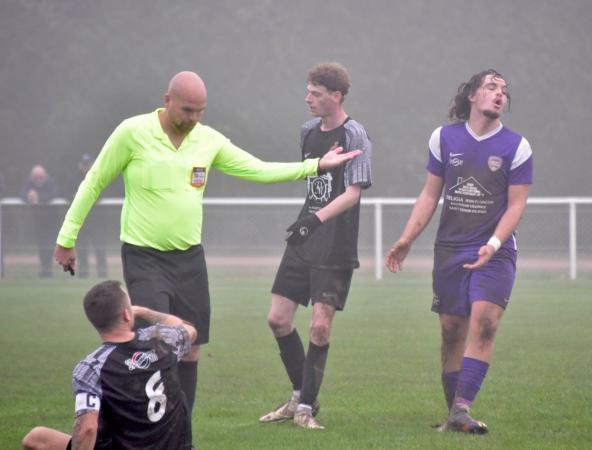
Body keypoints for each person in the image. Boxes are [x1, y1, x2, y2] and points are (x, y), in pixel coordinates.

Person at [53, 71, 361, 418]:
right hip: (144, 257)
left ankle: (180, 428)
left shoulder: (208, 140)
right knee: (158, 343)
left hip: (190, 260)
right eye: (187, 110)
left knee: (191, 348)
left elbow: (258, 169)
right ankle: (149, 422)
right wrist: (67, 238)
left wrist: (316, 166)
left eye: (200, 111)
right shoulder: (132, 132)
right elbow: (93, 181)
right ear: (166, 100)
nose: (194, 119)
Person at [385, 69, 533, 434]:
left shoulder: (517, 146)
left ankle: (463, 409)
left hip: (494, 251)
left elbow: (516, 207)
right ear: (472, 95)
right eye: (491, 87)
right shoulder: (444, 138)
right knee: (452, 330)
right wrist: (406, 239)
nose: (500, 94)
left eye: (504, 90)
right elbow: (430, 194)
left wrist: (493, 244)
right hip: (450, 249)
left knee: (485, 323)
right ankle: (454, 414)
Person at [259, 62, 372, 430]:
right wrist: (307, 223)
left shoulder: (355, 134)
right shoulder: (308, 131)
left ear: (336, 96)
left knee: (320, 328)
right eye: (308, 91)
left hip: (333, 244)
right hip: (303, 239)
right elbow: (312, 180)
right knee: (277, 319)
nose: (307, 98)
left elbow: (353, 193)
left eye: (316, 93)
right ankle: (298, 396)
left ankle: (306, 409)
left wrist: (316, 219)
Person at [21, 280, 197, 450]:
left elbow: (87, 429)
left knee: (35, 438)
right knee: (38, 438)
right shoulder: (161, 341)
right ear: (127, 314)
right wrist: (144, 312)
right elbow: (189, 329)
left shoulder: (91, 367)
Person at [21, 165, 60, 277]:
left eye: (40, 177)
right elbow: (22, 194)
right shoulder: (29, 183)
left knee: (49, 246)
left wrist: (38, 197)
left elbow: (54, 194)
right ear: (32, 177)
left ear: (44, 176)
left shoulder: (51, 182)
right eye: (36, 177)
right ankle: (44, 269)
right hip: (37, 221)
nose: (38, 179)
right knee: (41, 246)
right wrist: (29, 196)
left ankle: (48, 270)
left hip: (51, 221)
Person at [73, 154, 108, 278]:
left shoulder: (98, 177)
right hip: (82, 221)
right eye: (84, 164)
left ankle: (102, 273)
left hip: (97, 221)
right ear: (80, 165)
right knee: (82, 249)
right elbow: (68, 192)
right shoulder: (74, 179)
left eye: (88, 164)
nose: (86, 167)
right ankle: (83, 274)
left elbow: (102, 193)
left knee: (100, 248)